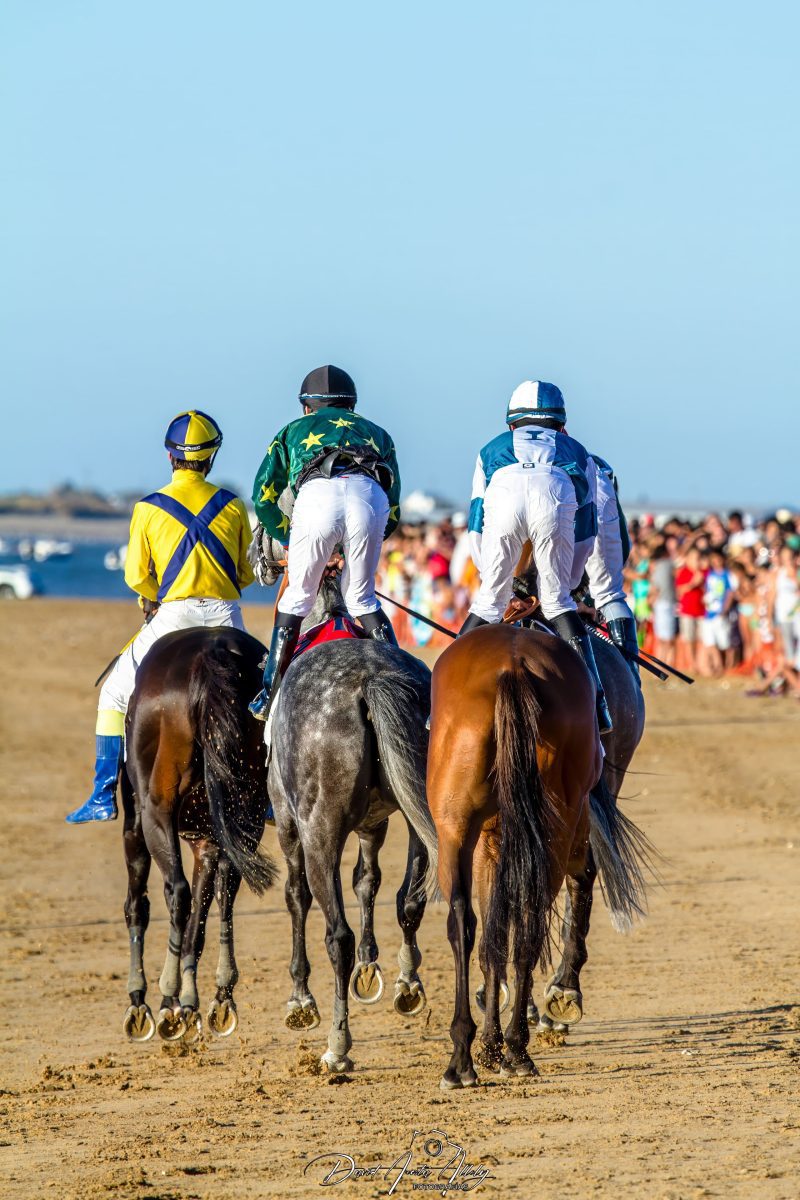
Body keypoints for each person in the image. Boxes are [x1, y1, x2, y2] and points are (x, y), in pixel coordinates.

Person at [66, 410, 255, 824]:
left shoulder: (148, 507)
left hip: (173, 616)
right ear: (212, 457)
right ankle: (273, 793)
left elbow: (136, 575)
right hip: (226, 616)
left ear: (171, 457)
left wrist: (153, 597)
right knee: (270, 697)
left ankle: (102, 793)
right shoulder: (235, 504)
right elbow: (244, 573)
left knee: (113, 693)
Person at [249, 365, 400, 721]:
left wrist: (291, 540)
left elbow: (263, 498)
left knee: (298, 596)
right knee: (362, 598)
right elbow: (392, 512)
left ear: (306, 407)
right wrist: (347, 552)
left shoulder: (291, 431)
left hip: (318, 499)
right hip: (369, 498)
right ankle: (405, 682)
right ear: (352, 406)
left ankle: (268, 693)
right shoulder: (378, 433)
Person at [462, 379, 612, 733]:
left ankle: (435, 707)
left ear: (511, 423)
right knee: (558, 602)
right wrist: (567, 584)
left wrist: (499, 586)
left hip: (505, 495)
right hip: (554, 494)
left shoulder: (490, 449)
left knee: (486, 603)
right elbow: (586, 530)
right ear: (560, 424)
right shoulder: (577, 451)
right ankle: (599, 705)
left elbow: (476, 525)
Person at [584, 453, 640, 682]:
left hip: (537, 595)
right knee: (612, 599)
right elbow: (618, 553)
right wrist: (587, 602)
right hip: (582, 596)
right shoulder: (599, 474)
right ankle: (629, 677)